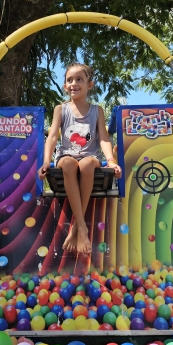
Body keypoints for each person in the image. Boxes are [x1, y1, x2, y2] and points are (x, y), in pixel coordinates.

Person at [38, 63, 122, 255]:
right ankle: (81, 228)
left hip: (90, 156)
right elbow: (52, 137)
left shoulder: (97, 111)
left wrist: (111, 160)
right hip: (66, 155)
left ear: (89, 84)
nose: (73, 83)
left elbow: (103, 138)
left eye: (79, 79)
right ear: (65, 86)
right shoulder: (61, 109)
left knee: (87, 164)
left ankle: (77, 227)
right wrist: (46, 161)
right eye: (69, 80)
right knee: (68, 163)